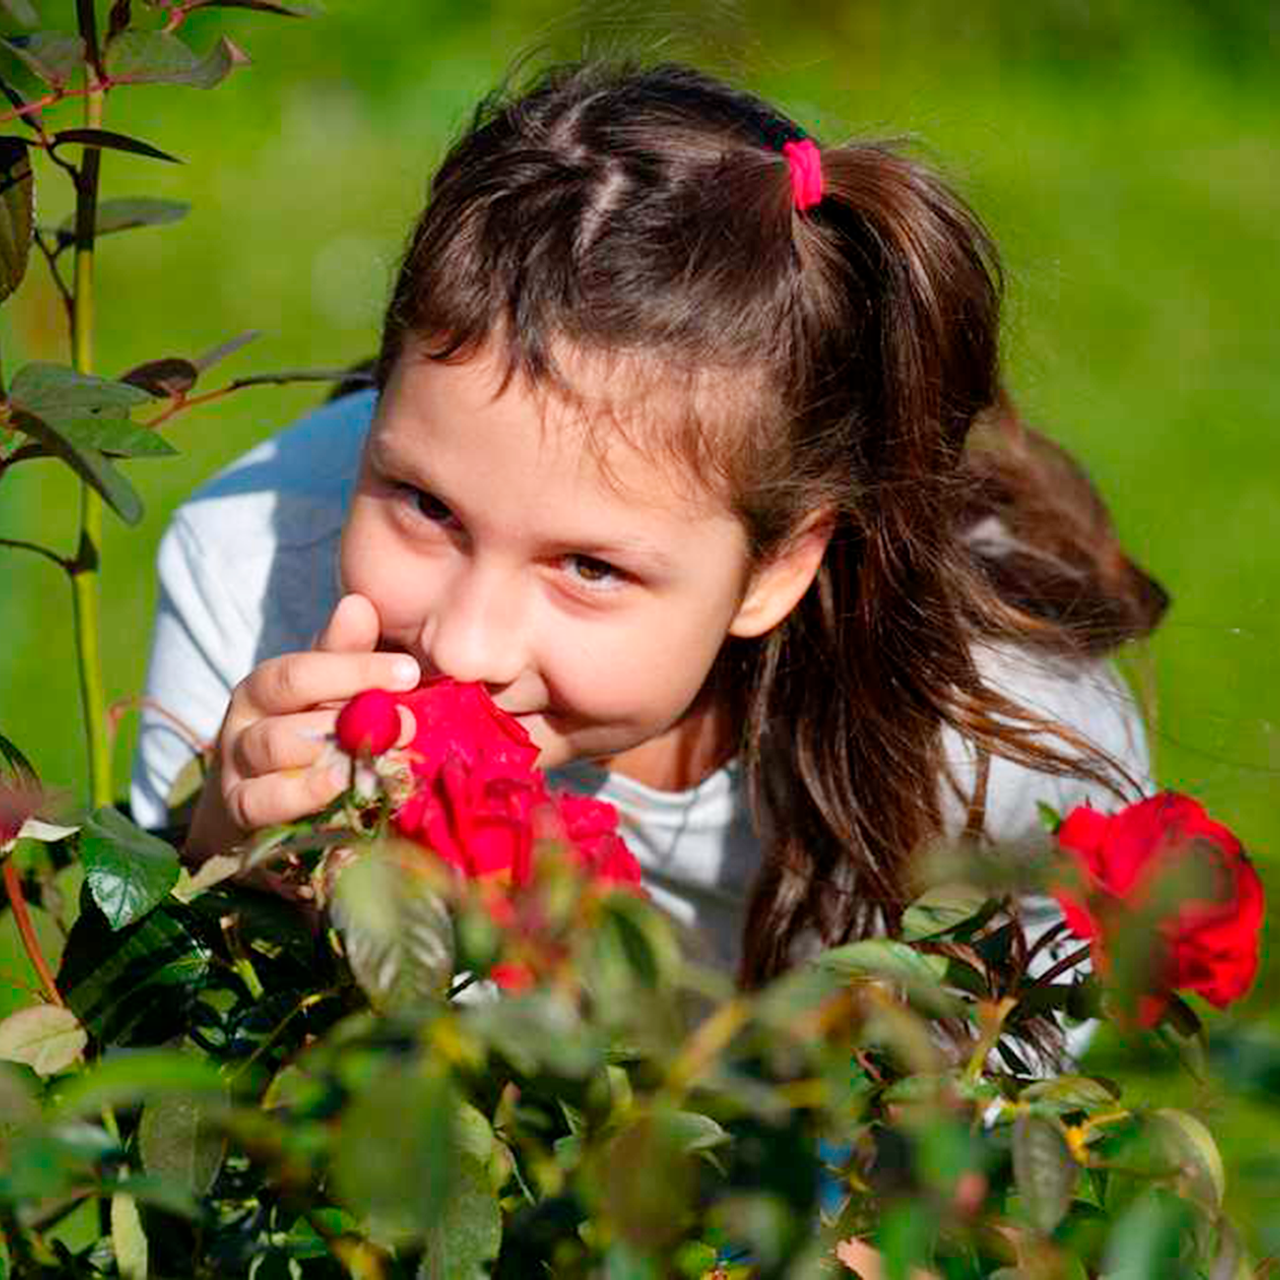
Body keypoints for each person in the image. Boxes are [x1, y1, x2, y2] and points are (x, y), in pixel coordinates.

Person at [131, 60, 1166, 987]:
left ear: (778, 567)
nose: (463, 641)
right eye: (427, 505)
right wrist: (223, 855)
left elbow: (1025, 1034)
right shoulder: (255, 564)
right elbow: (161, 1079)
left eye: (587, 566)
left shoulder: (995, 733)